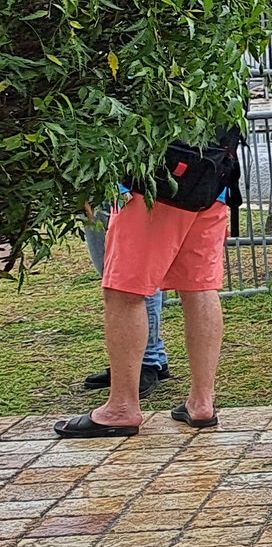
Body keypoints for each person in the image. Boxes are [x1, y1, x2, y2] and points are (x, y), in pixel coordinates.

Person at [54, 134, 239, 439]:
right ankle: (202, 402)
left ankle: (122, 407)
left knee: (124, 290)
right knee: (200, 288)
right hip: (212, 182)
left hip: (154, 185)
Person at [75, 200, 169, 397]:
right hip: (97, 196)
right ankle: (144, 360)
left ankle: (147, 362)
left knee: (135, 280)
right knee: (115, 277)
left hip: (125, 195)